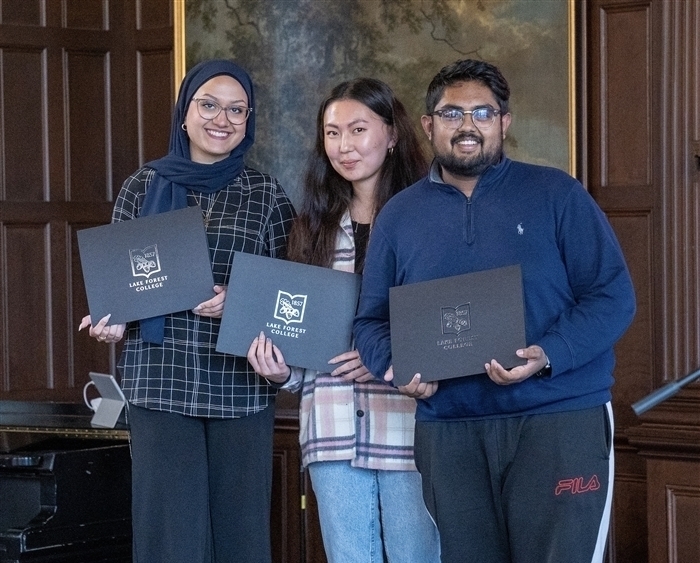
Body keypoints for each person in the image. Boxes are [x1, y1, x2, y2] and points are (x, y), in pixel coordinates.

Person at [353, 59, 636, 563]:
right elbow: (371, 322)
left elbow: (614, 297)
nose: (467, 125)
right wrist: (396, 367)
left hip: (557, 419)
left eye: (482, 113)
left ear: (504, 122)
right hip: (449, 430)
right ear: (427, 124)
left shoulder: (557, 194)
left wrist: (547, 353)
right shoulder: (398, 216)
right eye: (451, 113)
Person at [78, 59, 296, 563]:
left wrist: (238, 302)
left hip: (240, 388)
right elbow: (122, 285)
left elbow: (293, 294)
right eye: (209, 105)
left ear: (249, 120)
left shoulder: (266, 195)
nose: (222, 119)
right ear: (184, 113)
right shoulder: (142, 186)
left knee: (242, 540)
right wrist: (113, 322)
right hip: (159, 386)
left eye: (236, 110)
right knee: (167, 542)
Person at [246, 78, 440, 563]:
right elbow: (300, 333)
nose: (344, 146)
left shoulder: (427, 220)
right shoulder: (312, 225)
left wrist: (383, 355)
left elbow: (447, 321)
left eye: (358, 129)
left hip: (408, 426)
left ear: (392, 134)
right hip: (331, 429)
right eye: (332, 133)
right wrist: (280, 370)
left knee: (418, 556)